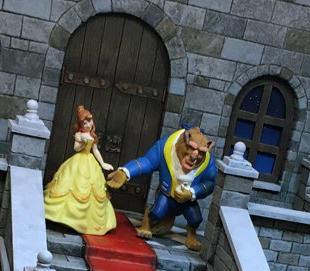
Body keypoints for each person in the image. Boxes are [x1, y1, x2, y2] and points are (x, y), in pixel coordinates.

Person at [107, 126, 217, 252]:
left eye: (201, 152)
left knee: (195, 218)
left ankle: (191, 235)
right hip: (167, 193)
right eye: (191, 148)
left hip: (188, 199)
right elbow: (148, 162)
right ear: (184, 140)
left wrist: (193, 193)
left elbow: (210, 182)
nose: (194, 156)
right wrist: (126, 172)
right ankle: (147, 221)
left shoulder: (208, 161)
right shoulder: (165, 147)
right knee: (157, 212)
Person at [43, 106, 117, 236]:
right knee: (71, 183)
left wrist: (103, 163)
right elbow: (76, 148)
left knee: (93, 188)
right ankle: (63, 216)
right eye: (85, 123)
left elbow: (95, 151)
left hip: (90, 162)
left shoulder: (92, 136)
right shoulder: (79, 135)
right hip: (78, 161)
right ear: (81, 125)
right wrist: (83, 142)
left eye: (90, 121)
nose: (89, 125)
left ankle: (86, 220)